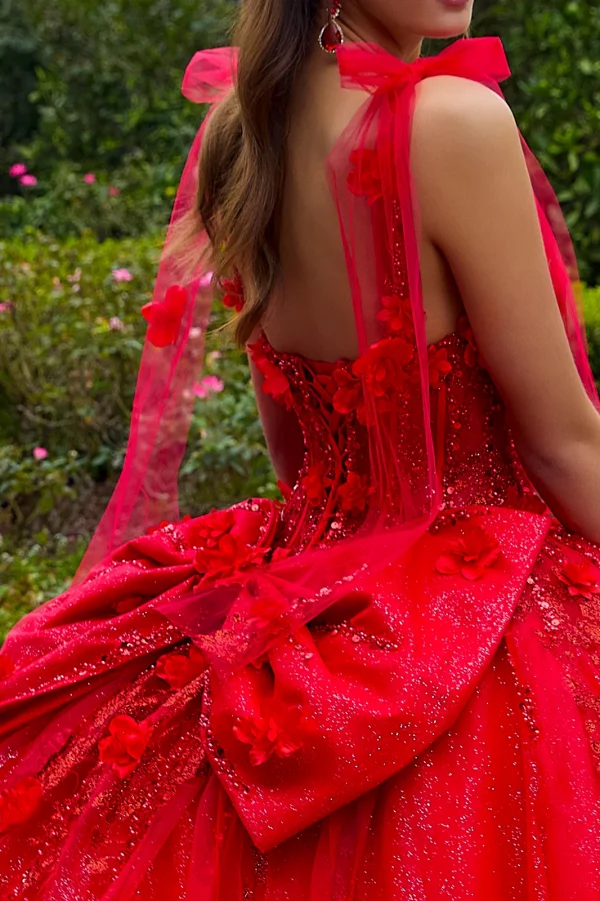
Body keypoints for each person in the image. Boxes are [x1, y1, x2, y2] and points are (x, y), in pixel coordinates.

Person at [2, 0, 600, 897]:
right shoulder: (453, 121)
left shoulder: (238, 132)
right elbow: (562, 444)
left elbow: (291, 454)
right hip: (484, 593)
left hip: (309, 580)